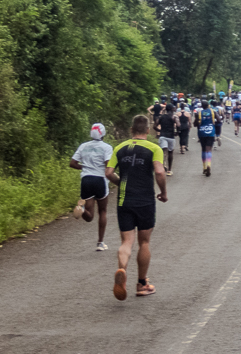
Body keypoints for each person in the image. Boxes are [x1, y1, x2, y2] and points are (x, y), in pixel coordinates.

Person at [105, 115, 168, 300]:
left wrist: (120, 181)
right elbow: (159, 171)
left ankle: (122, 269)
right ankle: (142, 283)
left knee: (126, 242)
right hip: (145, 200)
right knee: (144, 242)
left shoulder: (119, 148)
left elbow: (108, 172)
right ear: (148, 131)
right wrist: (163, 192)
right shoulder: (154, 148)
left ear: (131, 130)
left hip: (124, 199)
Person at [70, 122, 113, 251]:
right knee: (103, 211)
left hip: (86, 180)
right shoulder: (106, 147)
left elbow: (72, 163)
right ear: (103, 133)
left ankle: (82, 209)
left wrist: (85, 167)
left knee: (89, 216)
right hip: (100, 180)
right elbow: (108, 164)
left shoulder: (84, 146)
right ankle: (100, 243)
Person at [196, 101, 217, 175]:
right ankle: (209, 165)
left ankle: (204, 167)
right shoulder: (213, 112)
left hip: (202, 132)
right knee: (209, 149)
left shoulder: (198, 113)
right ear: (208, 105)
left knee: (203, 149)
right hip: (211, 132)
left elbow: (196, 123)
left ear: (201, 106)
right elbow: (219, 120)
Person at [155, 104, 177, 175]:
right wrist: (177, 132)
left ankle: (163, 165)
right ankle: (169, 171)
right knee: (170, 152)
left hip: (163, 136)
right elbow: (179, 125)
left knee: (163, 151)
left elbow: (154, 126)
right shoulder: (173, 117)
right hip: (171, 136)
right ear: (171, 109)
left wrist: (159, 130)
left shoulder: (161, 117)